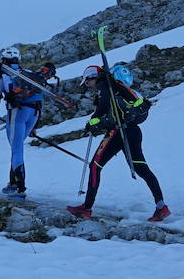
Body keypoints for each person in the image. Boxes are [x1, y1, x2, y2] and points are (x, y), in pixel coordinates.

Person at [66, 64, 169, 222]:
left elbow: (103, 111)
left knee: (95, 166)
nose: (87, 86)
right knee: (141, 169)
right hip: (133, 132)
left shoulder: (104, 86)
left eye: (87, 82)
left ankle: (86, 208)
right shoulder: (117, 89)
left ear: (93, 77)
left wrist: (94, 123)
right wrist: (96, 123)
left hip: (117, 132)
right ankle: (161, 206)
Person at [0, 46, 57, 199]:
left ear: (3, 59)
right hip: (34, 113)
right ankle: (12, 184)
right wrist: (35, 125)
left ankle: (20, 188)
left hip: (17, 113)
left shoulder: (2, 75)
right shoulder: (29, 74)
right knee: (16, 149)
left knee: (17, 150)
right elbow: (38, 97)